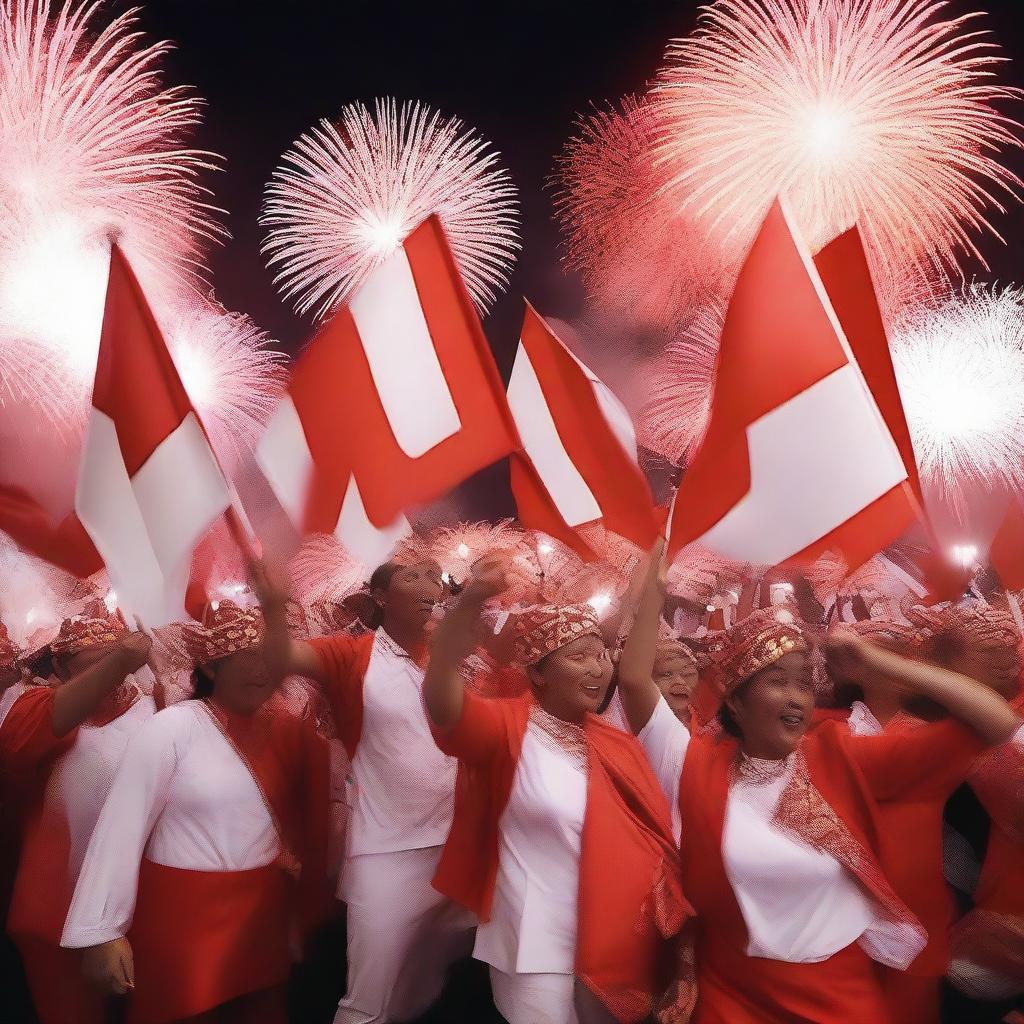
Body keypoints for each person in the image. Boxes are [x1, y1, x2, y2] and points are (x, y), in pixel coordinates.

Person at [616, 543, 1023, 1023]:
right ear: (736, 700)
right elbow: (635, 680)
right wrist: (652, 591)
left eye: (804, 683)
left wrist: (880, 663)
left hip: (837, 996)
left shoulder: (840, 755)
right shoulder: (691, 764)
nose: (795, 697)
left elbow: (994, 722)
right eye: (776, 681)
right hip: (732, 995)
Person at [423, 554, 690, 1024]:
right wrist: (471, 602)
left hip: (612, 941)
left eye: (599, 655)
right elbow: (442, 697)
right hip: (532, 942)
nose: (597, 669)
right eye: (578, 657)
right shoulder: (506, 728)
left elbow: (653, 839)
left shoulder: (617, 744)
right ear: (539, 673)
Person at [62, 568, 331, 1024]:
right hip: (183, 921)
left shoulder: (290, 731)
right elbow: (123, 826)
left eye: (269, 655)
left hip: (259, 916)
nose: (263, 668)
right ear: (209, 666)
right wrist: (102, 931)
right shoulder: (173, 727)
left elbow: (308, 822)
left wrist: (297, 907)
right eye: (246, 656)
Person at [279, 552, 476, 1024]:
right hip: (387, 853)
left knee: (448, 989)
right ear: (381, 597)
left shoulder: (460, 664)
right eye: (413, 576)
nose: (431, 584)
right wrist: (271, 607)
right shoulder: (351, 655)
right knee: (370, 1002)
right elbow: (283, 656)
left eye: (436, 576)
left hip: (461, 850)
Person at [6, 605, 157, 1024]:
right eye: (92, 665)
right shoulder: (32, 708)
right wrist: (121, 661)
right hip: (55, 913)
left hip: (136, 910)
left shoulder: (152, 708)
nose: (108, 678)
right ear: (59, 665)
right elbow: (28, 736)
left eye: (114, 662)